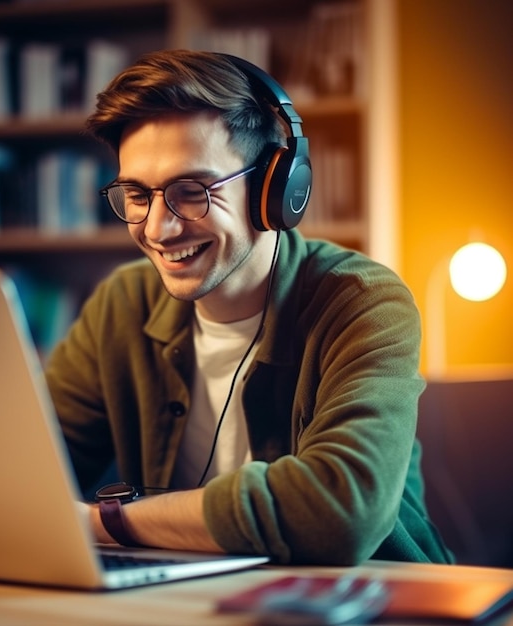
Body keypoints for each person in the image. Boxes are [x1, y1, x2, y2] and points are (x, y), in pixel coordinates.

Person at [44, 49, 454, 565]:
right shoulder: (122, 303)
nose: (156, 229)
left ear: (274, 188)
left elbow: (340, 511)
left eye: (191, 191)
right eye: (137, 194)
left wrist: (108, 522)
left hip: (375, 600)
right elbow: (30, 473)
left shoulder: (363, 303)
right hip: (190, 601)